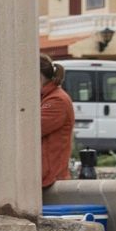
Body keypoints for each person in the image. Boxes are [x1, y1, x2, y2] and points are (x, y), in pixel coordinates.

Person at [40, 56, 75, 189]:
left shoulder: (56, 101)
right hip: (43, 176)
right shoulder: (46, 97)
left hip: (49, 177)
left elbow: (28, 130)